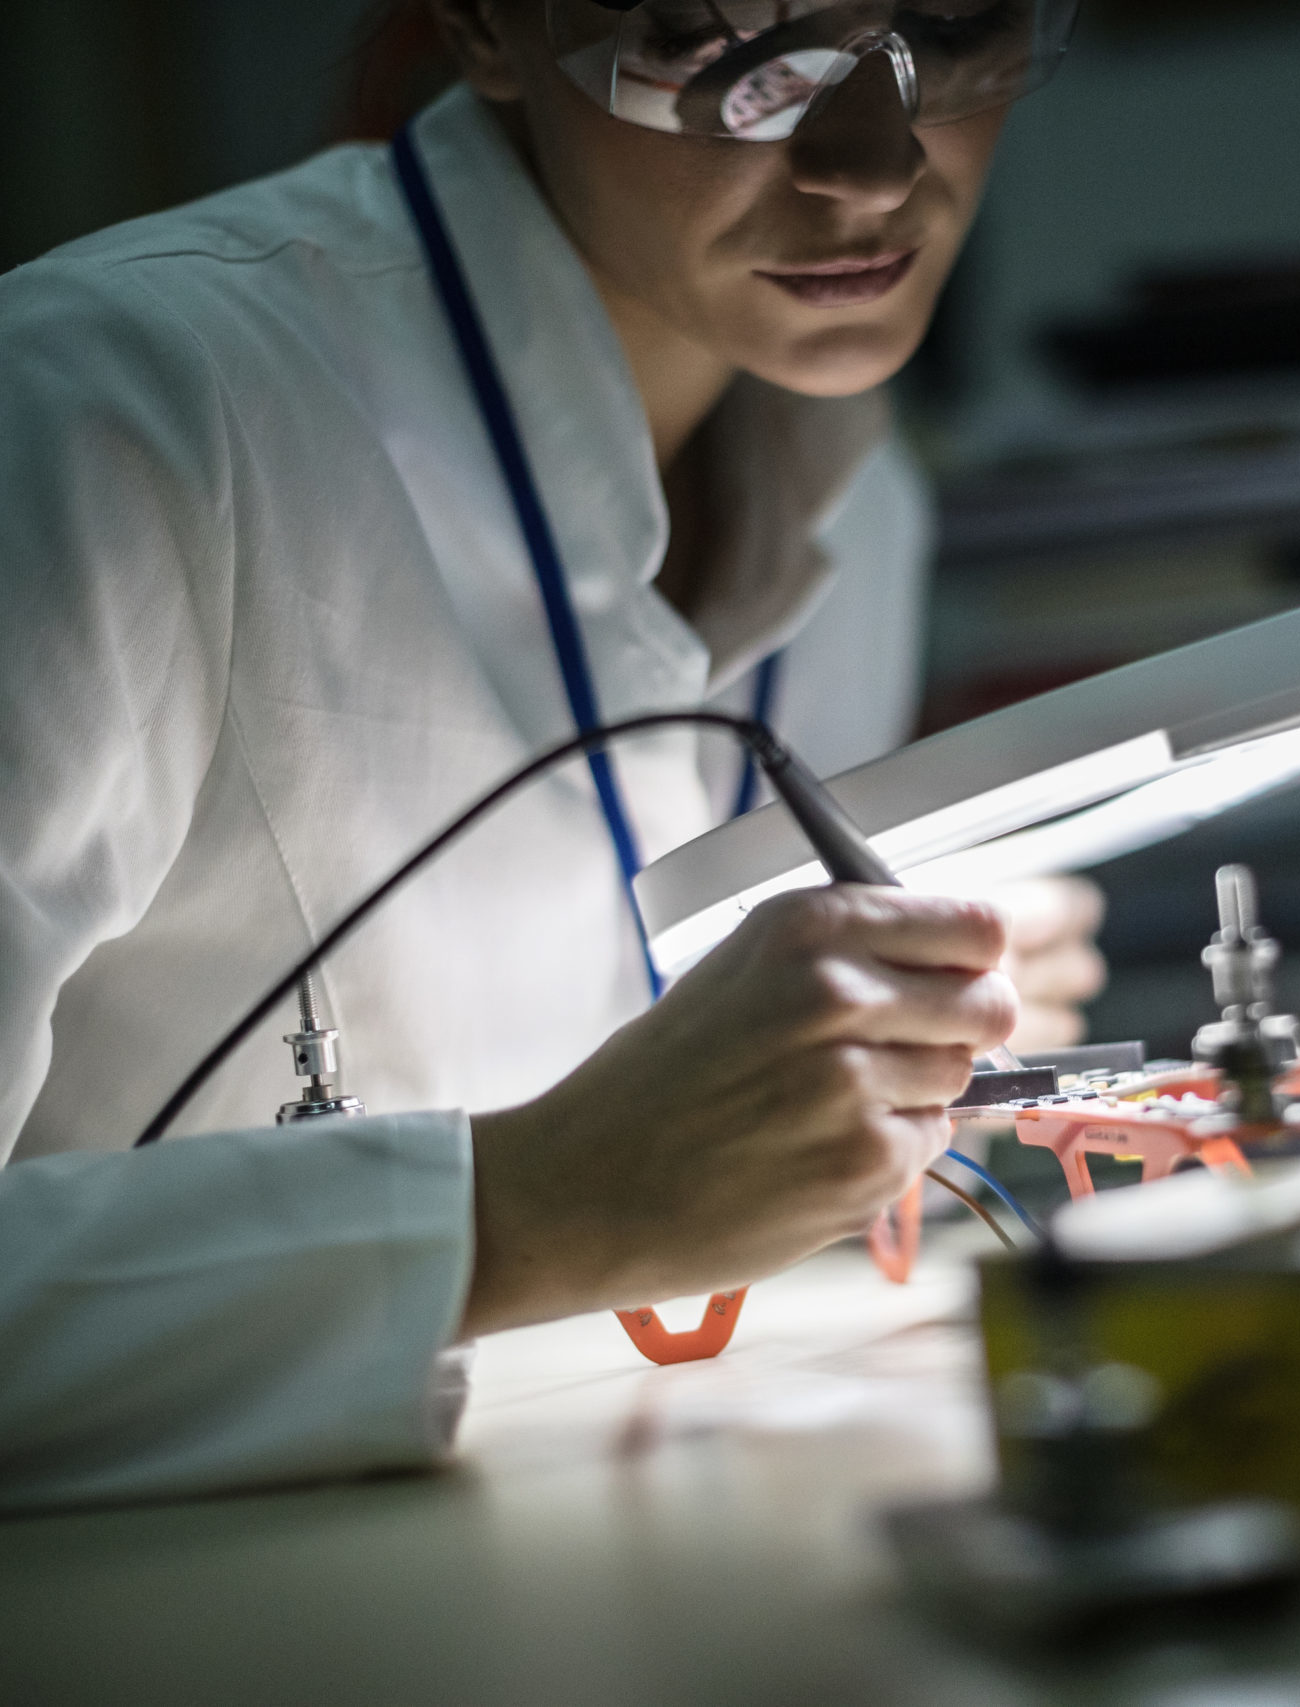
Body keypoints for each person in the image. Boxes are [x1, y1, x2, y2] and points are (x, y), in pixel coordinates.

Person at [0, 0, 1100, 1511]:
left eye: (960, 25)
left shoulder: (859, 494)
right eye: (719, 44)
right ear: (489, 30)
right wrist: (519, 1217)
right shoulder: (101, 412)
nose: (867, 165)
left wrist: (867, 1042)